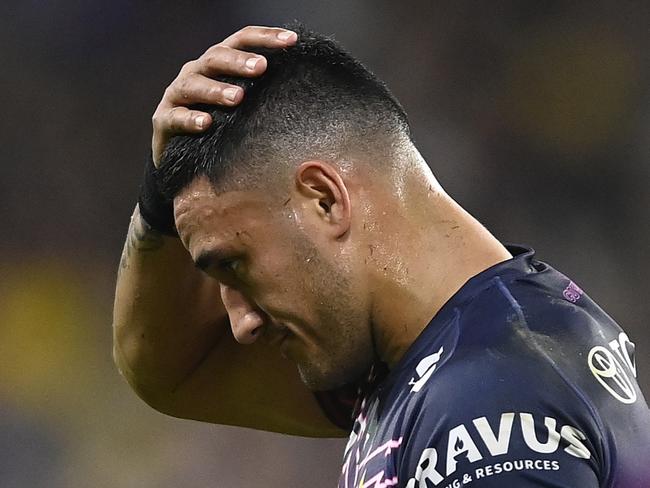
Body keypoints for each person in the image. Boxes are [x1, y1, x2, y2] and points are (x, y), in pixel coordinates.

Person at [112, 25, 650, 487]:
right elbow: (172, 372)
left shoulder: (489, 410)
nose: (241, 323)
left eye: (235, 265)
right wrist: (159, 197)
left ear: (325, 200)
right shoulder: (434, 360)